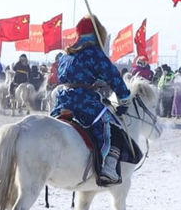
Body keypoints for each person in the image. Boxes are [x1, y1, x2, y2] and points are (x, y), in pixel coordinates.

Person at [50, 14, 132, 185]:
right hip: (84, 102)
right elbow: (113, 75)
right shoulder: (94, 53)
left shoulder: (66, 55)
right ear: (97, 34)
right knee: (112, 127)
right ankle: (108, 169)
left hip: (62, 101)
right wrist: (124, 98)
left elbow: (62, 76)